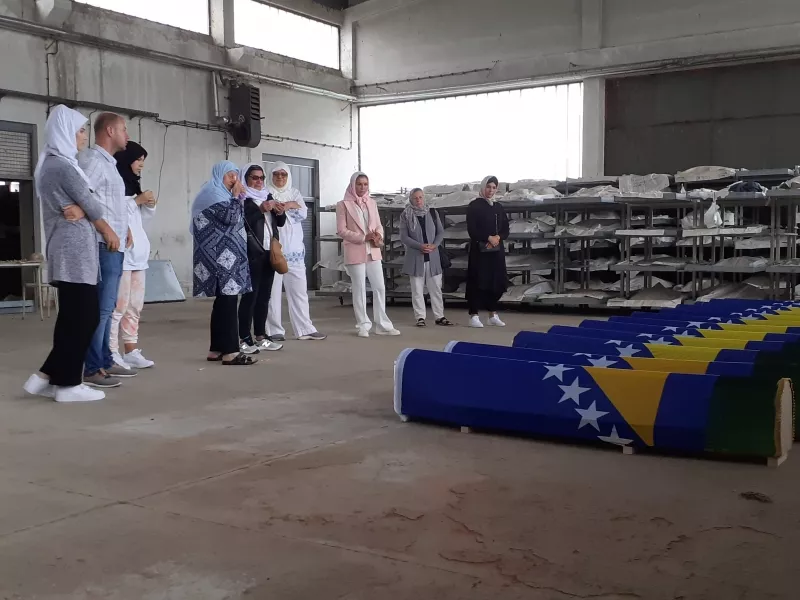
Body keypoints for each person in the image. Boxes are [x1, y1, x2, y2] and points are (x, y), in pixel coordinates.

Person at [23, 105, 120, 403]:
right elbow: (94, 205)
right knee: (85, 318)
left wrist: (85, 207)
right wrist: (93, 215)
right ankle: (66, 385)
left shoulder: (57, 165)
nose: (84, 136)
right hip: (73, 253)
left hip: (71, 252)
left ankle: (49, 377)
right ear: (65, 133)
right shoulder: (62, 167)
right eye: (79, 131)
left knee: (73, 319)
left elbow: (88, 204)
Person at [78, 112, 137, 388]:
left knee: (108, 307)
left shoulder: (109, 164)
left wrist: (123, 227)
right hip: (103, 244)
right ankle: (92, 368)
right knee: (101, 309)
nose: (127, 135)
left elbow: (108, 203)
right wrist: (106, 229)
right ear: (110, 131)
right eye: (124, 129)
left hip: (114, 243)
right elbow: (82, 197)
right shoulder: (92, 161)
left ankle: (104, 359)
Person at [192, 161, 257, 366]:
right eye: (230, 176)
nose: (234, 180)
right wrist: (237, 197)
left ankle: (216, 349)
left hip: (225, 256)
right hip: (220, 257)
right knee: (228, 303)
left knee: (223, 302)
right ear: (219, 176)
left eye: (236, 176)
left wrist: (237, 197)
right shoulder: (213, 195)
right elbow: (231, 217)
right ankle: (230, 352)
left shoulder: (220, 194)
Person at [265, 162, 326, 341]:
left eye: (283, 174)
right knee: (272, 293)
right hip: (273, 249)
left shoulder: (295, 193)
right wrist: (290, 206)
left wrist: (286, 206)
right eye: (276, 174)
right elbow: (269, 215)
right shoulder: (266, 193)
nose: (280, 177)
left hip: (294, 250)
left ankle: (305, 328)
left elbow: (303, 214)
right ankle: (273, 330)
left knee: (299, 292)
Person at [110, 141, 157, 370]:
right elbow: (114, 213)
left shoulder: (132, 185)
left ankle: (130, 349)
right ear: (126, 160)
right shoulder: (114, 185)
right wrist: (137, 201)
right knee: (118, 306)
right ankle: (111, 352)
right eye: (138, 160)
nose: (141, 165)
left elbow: (140, 219)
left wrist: (148, 205)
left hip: (138, 256)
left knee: (134, 306)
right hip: (122, 255)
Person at [336, 172, 400, 338]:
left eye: (365, 184)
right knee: (359, 288)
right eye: (359, 184)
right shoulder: (343, 205)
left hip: (373, 249)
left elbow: (378, 225)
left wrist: (379, 235)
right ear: (353, 185)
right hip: (355, 250)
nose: (362, 187)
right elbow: (341, 230)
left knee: (380, 287)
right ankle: (363, 325)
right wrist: (363, 237)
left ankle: (382, 325)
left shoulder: (372, 202)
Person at [237, 163, 286, 353]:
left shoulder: (267, 195)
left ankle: (261, 336)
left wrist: (280, 212)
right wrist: (261, 209)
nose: (259, 181)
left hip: (269, 251)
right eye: (254, 178)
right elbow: (243, 221)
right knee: (250, 296)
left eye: (261, 178)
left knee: (264, 296)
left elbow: (279, 223)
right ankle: (244, 338)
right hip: (252, 252)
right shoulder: (242, 198)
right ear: (246, 179)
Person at [399, 188, 453, 327]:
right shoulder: (405, 215)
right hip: (415, 257)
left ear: (424, 198)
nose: (418, 200)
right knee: (417, 289)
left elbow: (440, 232)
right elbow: (404, 237)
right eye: (415, 198)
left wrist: (434, 245)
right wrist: (420, 246)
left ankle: (439, 316)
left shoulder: (433, 213)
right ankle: (420, 317)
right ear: (411, 199)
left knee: (436, 288)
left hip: (433, 256)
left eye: (420, 197)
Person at [466, 175, 510, 328]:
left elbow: (506, 228)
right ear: (483, 187)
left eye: (494, 187)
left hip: (496, 251)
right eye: (488, 187)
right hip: (480, 251)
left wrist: (498, 237)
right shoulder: (474, 206)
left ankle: (493, 314)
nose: (491, 190)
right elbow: (472, 229)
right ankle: (474, 315)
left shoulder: (498, 207)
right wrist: (487, 237)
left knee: (496, 281)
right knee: (477, 281)